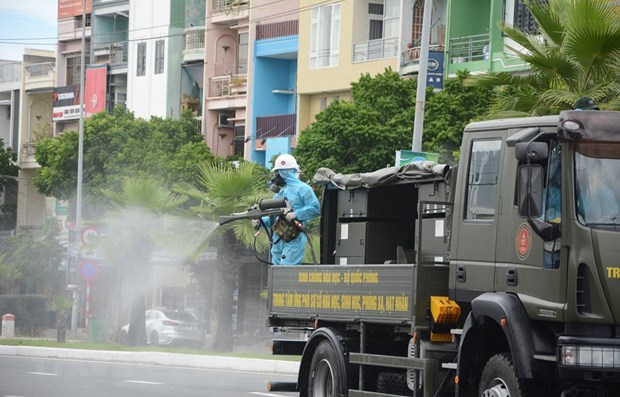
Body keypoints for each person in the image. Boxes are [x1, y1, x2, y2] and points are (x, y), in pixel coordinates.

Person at [254, 154, 320, 265]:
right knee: (276, 273)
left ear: (285, 172)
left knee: (286, 272)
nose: (275, 176)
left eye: (277, 172)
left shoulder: (303, 188)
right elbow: (273, 217)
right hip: (278, 237)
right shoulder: (280, 193)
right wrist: (259, 222)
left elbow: (315, 208)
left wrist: (296, 214)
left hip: (294, 237)